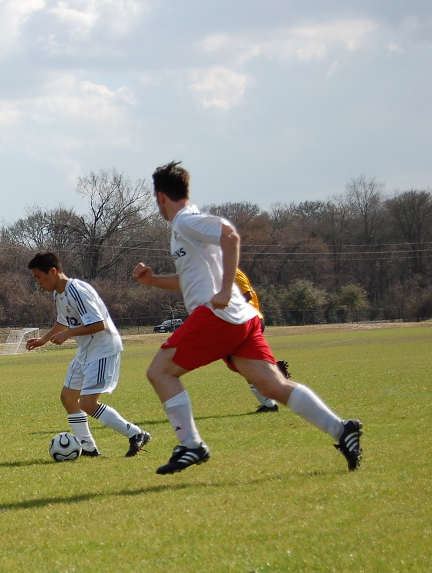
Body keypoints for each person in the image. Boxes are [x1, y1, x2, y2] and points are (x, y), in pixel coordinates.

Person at [132, 162, 362, 474]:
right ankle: (341, 429)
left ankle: (190, 444)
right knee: (272, 384)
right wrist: (154, 280)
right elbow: (192, 279)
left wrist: (226, 290)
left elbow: (231, 235)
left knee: (160, 372)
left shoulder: (186, 220)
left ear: (160, 197)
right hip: (241, 317)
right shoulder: (184, 228)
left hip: (218, 316)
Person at [26, 252, 151, 458]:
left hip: (103, 349)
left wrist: (68, 334)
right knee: (68, 397)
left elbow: (98, 323)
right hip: (87, 351)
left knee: (87, 403)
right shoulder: (59, 293)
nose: (38, 282)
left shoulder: (76, 290)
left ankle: (136, 433)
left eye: (38, 277)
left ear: (53, 271)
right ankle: (89, 448)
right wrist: (44, 339)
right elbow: (63, 320)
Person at [234, 268, 290, 413]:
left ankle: (271, 376)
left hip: (248, 319)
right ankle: (269, 397)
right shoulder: (218, 271)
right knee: (242, 362)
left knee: (242, 362)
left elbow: (246, 294)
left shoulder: (231, 270)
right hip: (241, 321)